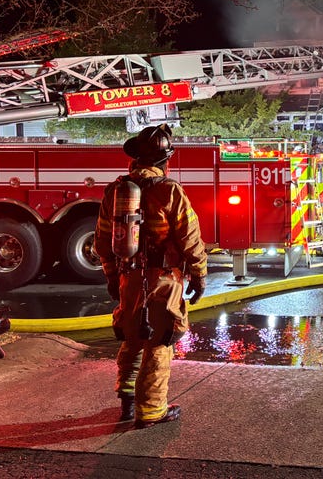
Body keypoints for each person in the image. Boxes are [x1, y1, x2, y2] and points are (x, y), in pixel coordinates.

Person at [94, 123, 208, 429]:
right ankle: (152, 411)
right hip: (163, 279)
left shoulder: (116, 191)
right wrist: (199, 277)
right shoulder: (170, 191)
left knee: (133, 336)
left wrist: (110, 276)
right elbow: (190, 240)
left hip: (128, 276)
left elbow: (103, 241)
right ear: (164, 160)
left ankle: (128, 400)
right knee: (159, 342)